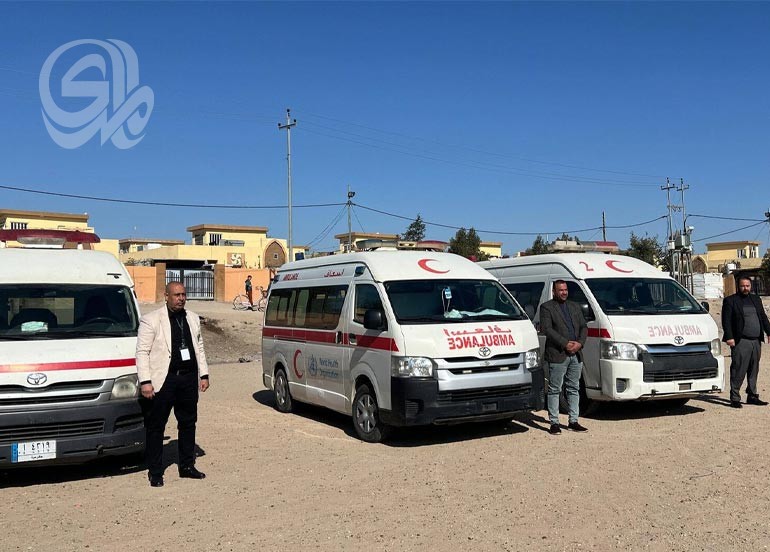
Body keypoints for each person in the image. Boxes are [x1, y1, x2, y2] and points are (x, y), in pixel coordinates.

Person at [136, 281, 210, 487]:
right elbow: (142, 352)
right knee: (156, 426)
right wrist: (145, 381)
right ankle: (155, 471)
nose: (181, 299)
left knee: (188, 423)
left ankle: (186, 466)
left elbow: (199, 347)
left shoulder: (192, 318)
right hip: (164, 379)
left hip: (188, 378)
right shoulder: (151, 320)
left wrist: (204, 374)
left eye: (183, 295)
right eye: (177, 295)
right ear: (166, 296)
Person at [540, 280, 588, 435]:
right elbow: (547, 329)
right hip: (558, 354)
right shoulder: (547, 307)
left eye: (565, 289)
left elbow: (584, 327)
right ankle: (554, 423)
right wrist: (565, 343)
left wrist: (579, 343)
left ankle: (573, 421)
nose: (564, 292)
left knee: (574, 388)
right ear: (554, 291)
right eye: (560, 290)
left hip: (576, 354)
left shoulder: (574, 306)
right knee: (555, 389)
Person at [721, 276, 770, 408]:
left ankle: (752, 395)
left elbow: (763, 317)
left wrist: (769, 332)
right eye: (743, 286)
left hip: (756, 341)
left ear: (751, 286)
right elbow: (726, 321)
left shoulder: (756, 299)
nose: (745, 288)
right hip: (740, 341)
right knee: (738, 369)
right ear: (738, 286)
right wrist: (729, 337)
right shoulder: (730, 300)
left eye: (747, 286)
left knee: (754, 369)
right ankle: (735, 398)